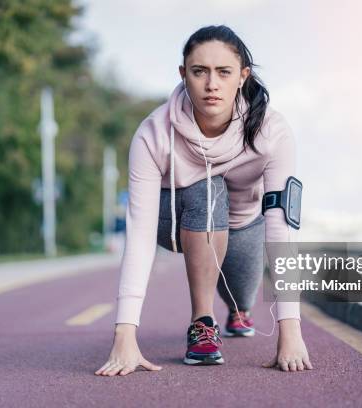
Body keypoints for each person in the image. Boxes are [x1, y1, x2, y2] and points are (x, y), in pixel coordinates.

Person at [95, 25, 312, 376]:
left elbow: (281, 225)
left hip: (244, 226)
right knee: (208, 186)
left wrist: (290, 331)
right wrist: (124, 334)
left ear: (242, 76)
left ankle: (236, 309)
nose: (212, 84)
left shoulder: (272, 132)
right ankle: (202, 322)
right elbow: (138, 232)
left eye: (223, 72)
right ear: (184, 75)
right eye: (200, 72)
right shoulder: (152, 134)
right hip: (175, 222)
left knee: (242, 297)